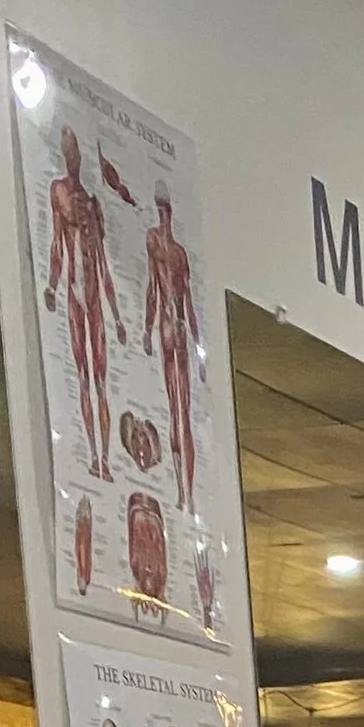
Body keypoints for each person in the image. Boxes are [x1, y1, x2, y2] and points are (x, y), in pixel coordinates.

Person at [45, 127, 126, 482]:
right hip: (75, 293)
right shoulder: (59, 191)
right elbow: (57, 243)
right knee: (82, 377)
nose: (72, 156)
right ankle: (94, 455)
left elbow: (105, 263)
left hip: (93, 295)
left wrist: (119, 317)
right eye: (67, 150)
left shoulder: (92, 204)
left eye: (75, 150)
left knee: (101, 381)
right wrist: (50, 285)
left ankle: (104, 460)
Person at [142, 190, 203, 515]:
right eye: (161, 209)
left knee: (183, 413)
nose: (163, 215)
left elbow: (188, 300)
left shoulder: (178, 253)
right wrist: (146, 328)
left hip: (175, 327)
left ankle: (187, 492)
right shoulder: (155, 241)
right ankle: (182, 491)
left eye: (166, 209)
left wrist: (197, 344)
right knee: (174, 412)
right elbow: (153, 287)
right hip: (167, 325)